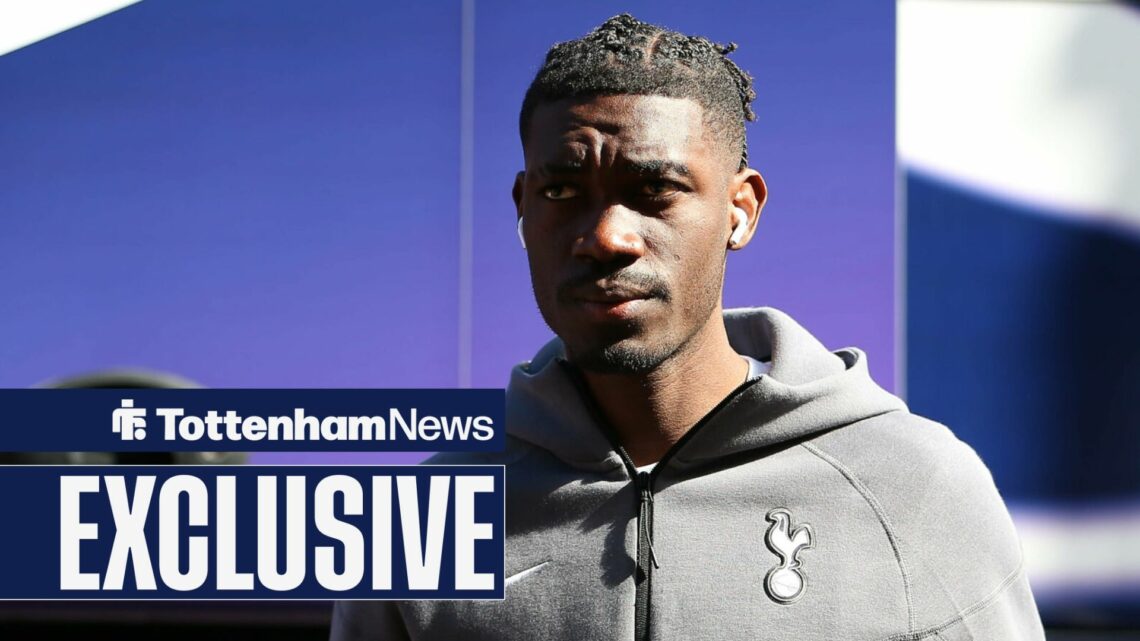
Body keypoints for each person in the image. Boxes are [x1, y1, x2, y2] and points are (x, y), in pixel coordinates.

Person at [332, 14, 1044, 640]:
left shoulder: (915, 488)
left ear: (740, 209)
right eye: (561, 191)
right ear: (522, 207)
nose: (607, 236)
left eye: (654, 191)